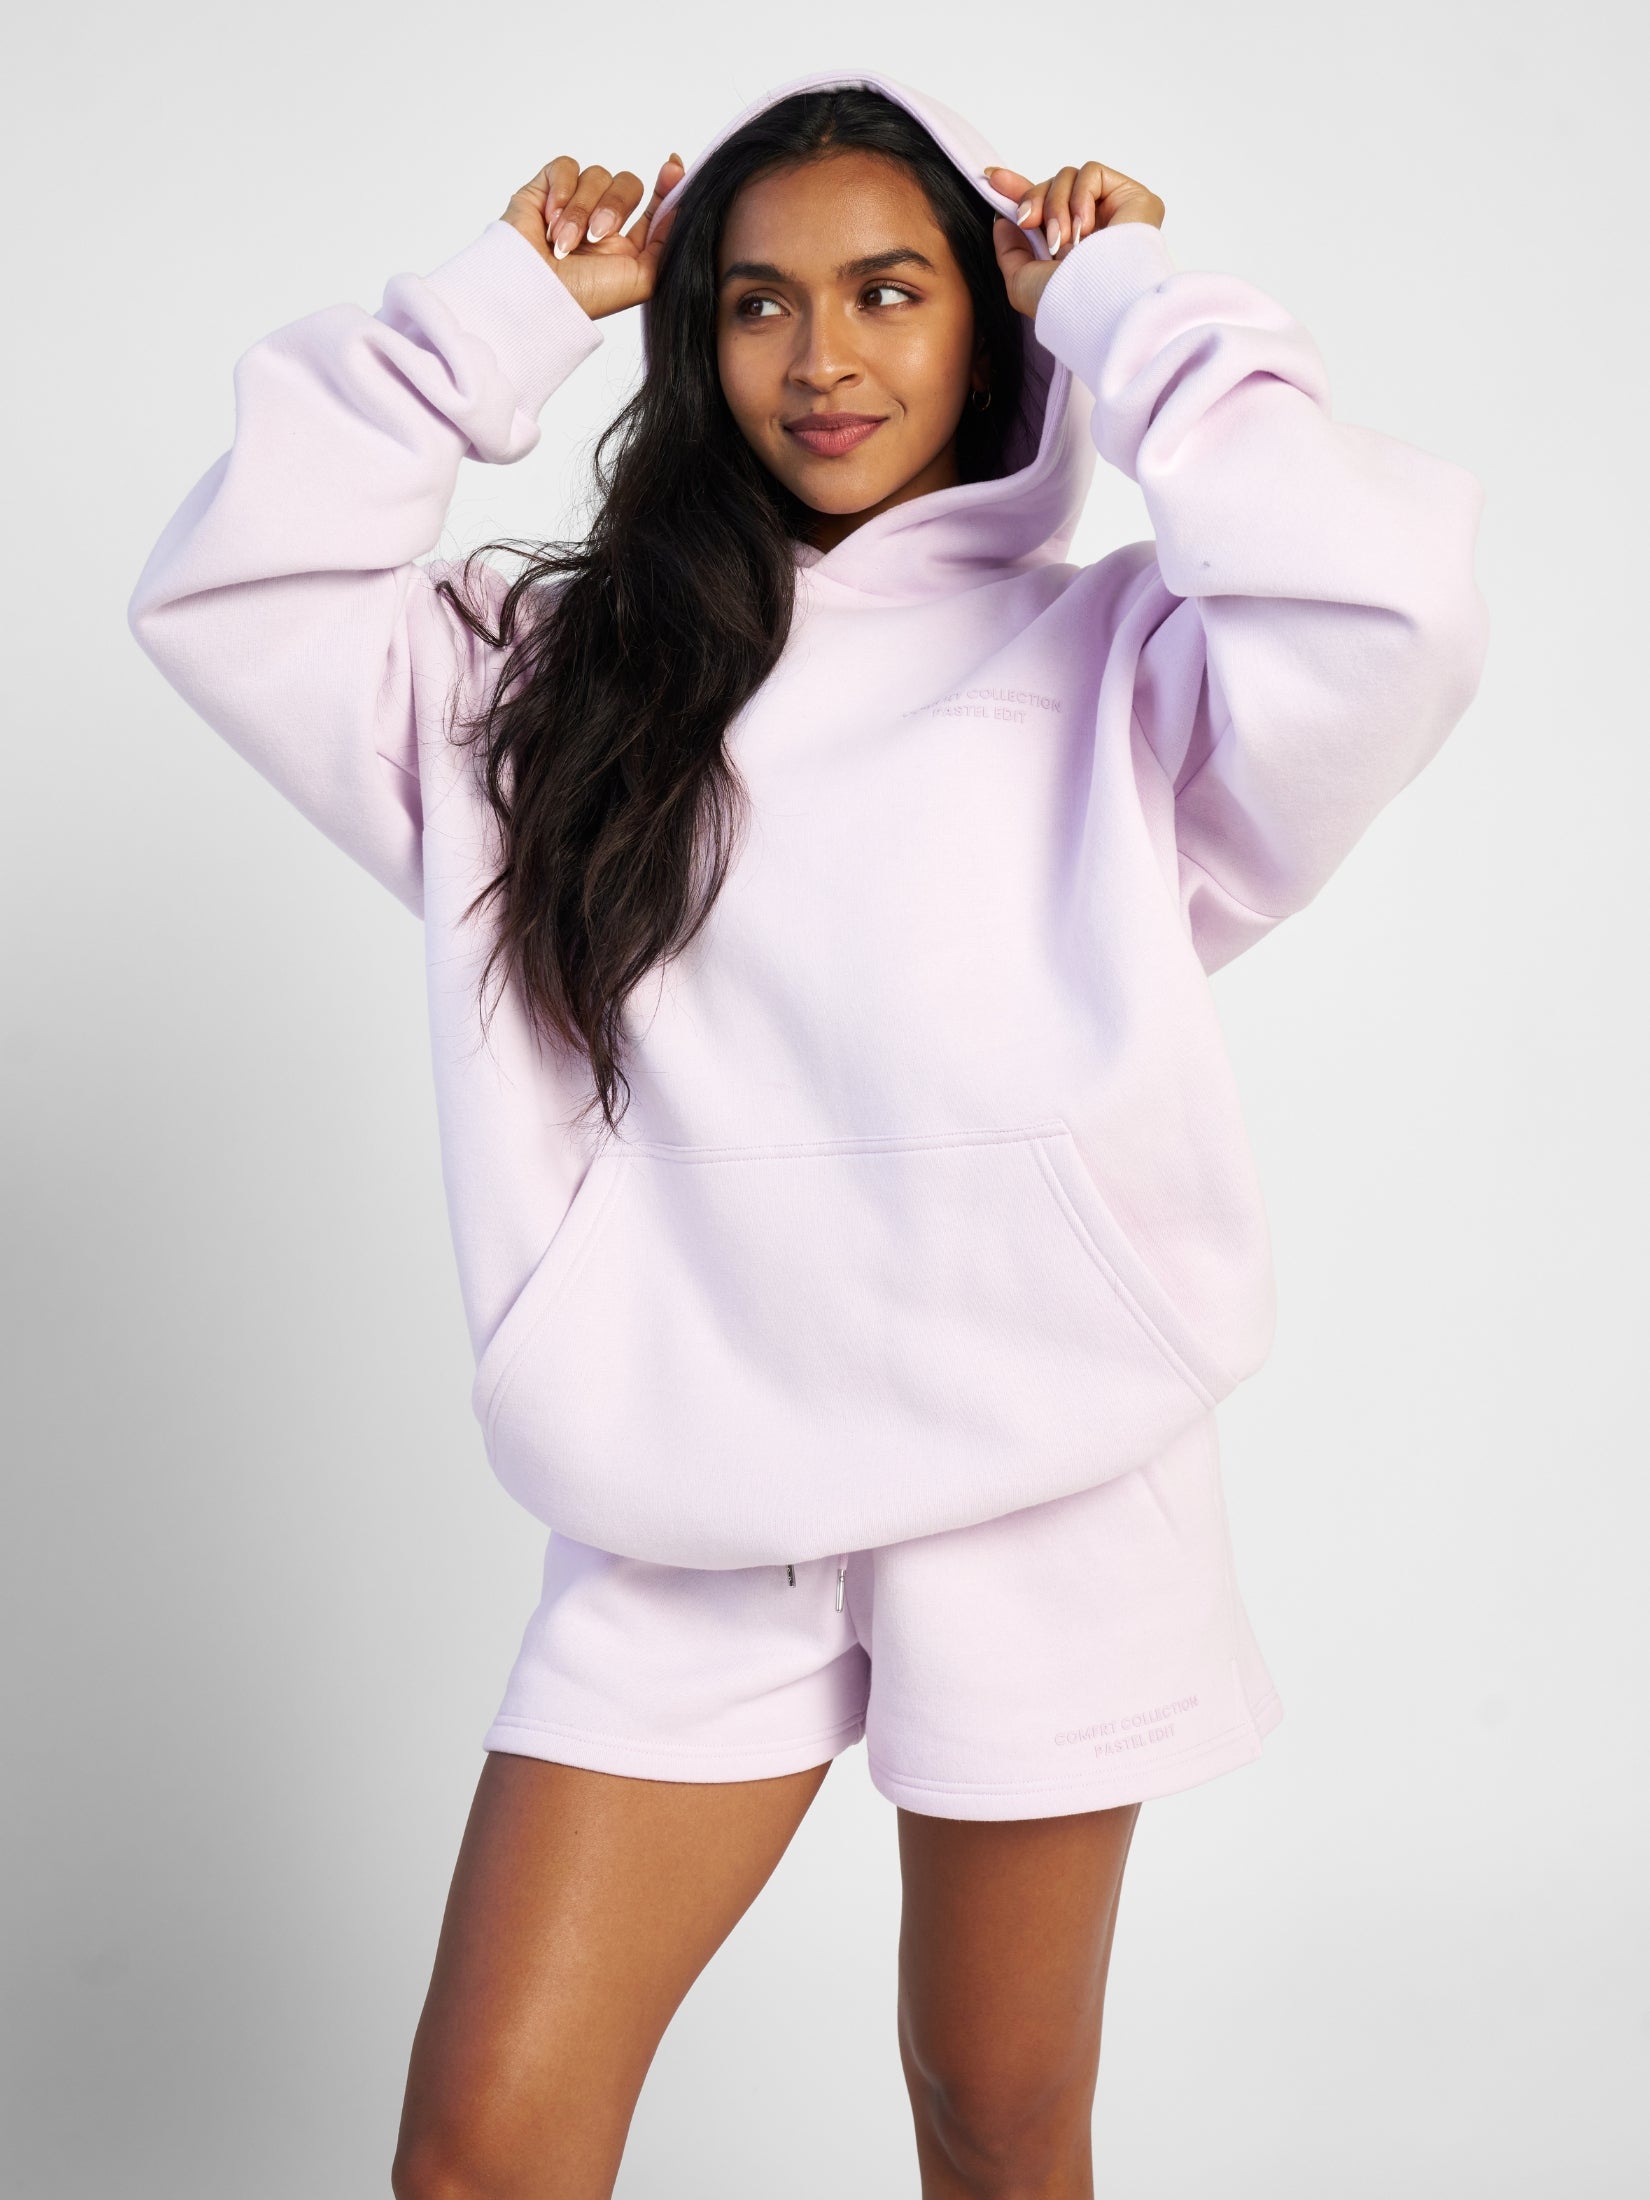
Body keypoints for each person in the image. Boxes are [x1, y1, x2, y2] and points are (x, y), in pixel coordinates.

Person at [127, 63, 1489, 2200]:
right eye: (757, 301)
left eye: (888, 290)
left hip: (1045, 1469)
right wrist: (494, 312)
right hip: (686, 1493)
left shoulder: (1124, 660)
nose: (822, 356)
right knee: (481, 2154)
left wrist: (1128, 303)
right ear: (696, 334)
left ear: (990, 320)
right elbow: (240, 592)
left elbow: (1387, 608)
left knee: (995, 2118)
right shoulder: (555, 677)